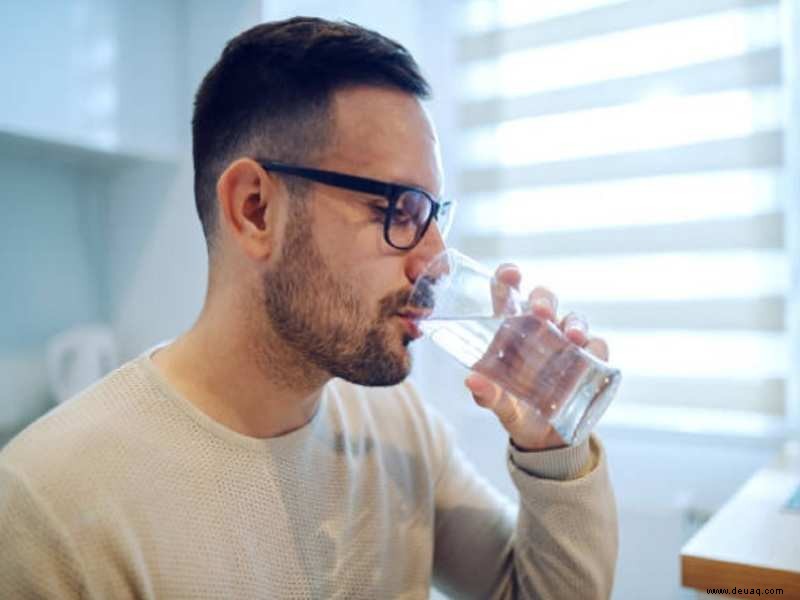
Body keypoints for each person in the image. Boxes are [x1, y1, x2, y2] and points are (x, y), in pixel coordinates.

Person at [0, 17, 618, 599]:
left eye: (433, 214)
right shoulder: (48, 502)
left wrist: (549, 451)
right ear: (255, 210)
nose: (433, 256)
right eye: (396, 209)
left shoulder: (395, 424)